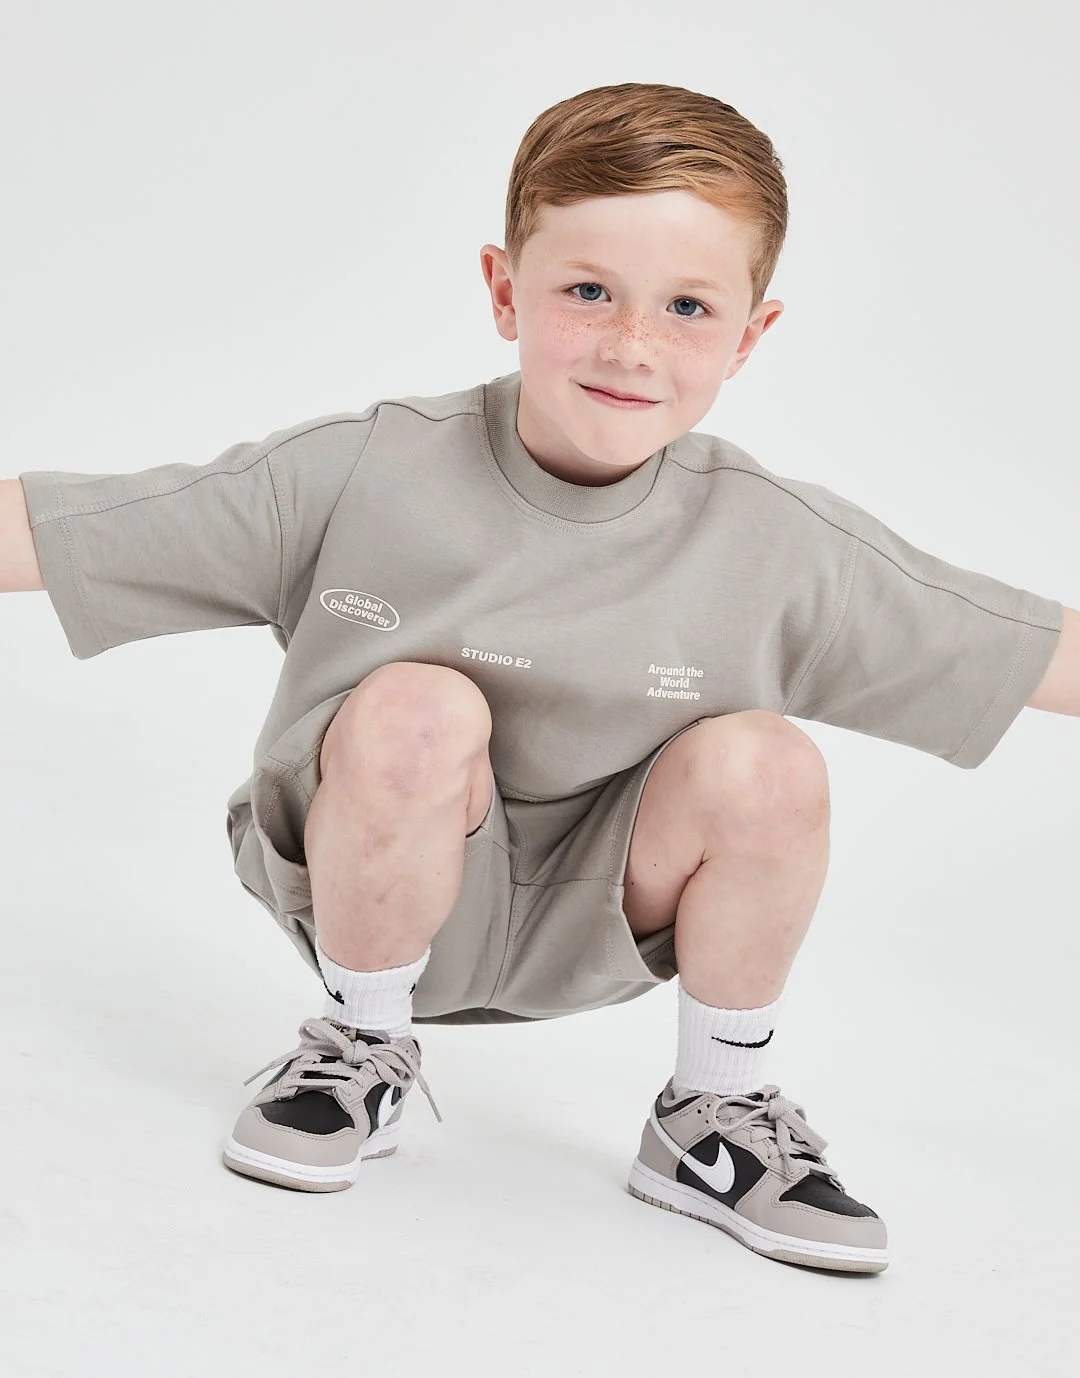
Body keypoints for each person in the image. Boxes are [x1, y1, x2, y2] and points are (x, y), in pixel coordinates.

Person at [2, 81, 1071, 1276]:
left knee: (768, 763)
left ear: (750, 336)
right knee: (419, 704)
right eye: (586, 291)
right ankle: (358, 1051)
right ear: (506, 291)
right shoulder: (371, 469)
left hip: (604, 919)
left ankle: (712, 1115)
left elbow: (1012, 646)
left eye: (686, 306)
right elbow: (74, 531)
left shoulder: (775, 544)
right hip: (368, 881)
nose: (631, 344)